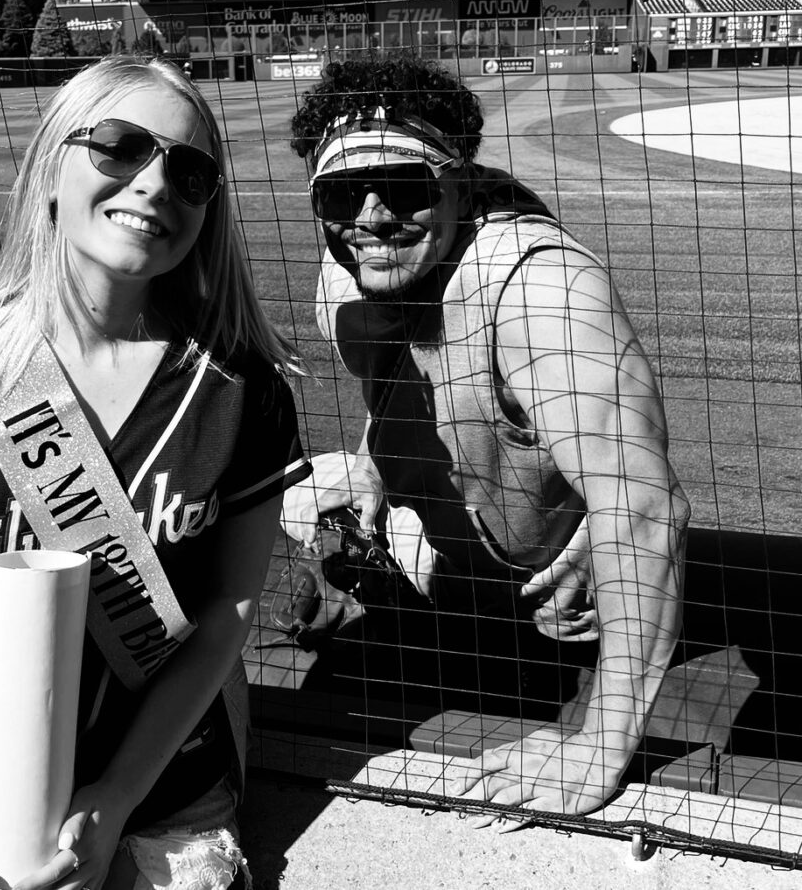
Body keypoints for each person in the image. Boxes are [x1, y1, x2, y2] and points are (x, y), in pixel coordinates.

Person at [0, 55, 311, 890]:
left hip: (161, 783)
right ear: (50, 171)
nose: (155, 184)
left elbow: (226, 613)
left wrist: (119, 793)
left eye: (190, 170)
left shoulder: (243, 391)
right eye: (122, 146)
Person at [280, 56, 690, 822]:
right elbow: (415, 396)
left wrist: (601, 745)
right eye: (339, 194)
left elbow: (644, 507)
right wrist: (374, 468)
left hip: (556, 617)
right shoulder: (348, 280)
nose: (368, 217)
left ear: (459, 184)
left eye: (403, 188)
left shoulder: (542, 287)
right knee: (303, 494)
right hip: (445, 577)